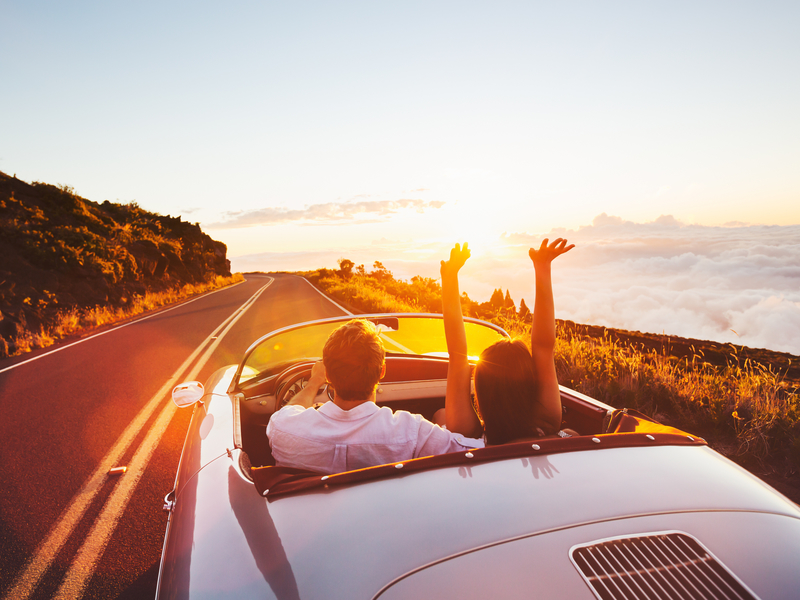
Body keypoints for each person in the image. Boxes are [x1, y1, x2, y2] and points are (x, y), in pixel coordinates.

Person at [266, 319, 484, 474]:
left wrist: (314, 382)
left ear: (329, 375)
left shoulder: (282, 428)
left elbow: (290, 411)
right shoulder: (411, 432)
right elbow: (477, 451)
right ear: (382, 372)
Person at [440, 239, 575, 445]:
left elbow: (458, 356)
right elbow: (543, 347)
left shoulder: (469, 434)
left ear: (481, 392)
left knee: (440, 416)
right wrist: (542, 267)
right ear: (531, 385)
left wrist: (449, 277)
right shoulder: (547, 422)